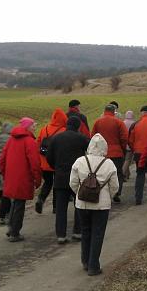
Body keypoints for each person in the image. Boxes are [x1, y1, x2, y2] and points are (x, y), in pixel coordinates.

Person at [69, 134, 119, 276]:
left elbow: (72, 182)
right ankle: (93, 265)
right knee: (97, 234)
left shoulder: (80, 161)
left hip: (82, 203)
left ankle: (85, 261)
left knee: (86, 231)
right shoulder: (109, 164)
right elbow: (114, 186)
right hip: (101, 206)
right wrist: (107, 197)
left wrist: (80, 193)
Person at [45, 115, 89, 243]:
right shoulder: (81, 138)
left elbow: (49, 157)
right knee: (79, 205)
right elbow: (92, 149)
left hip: (60, 176)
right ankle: (77, 232)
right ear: (78, 126)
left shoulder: (56, 138)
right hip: (77, 176)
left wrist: (56, 167)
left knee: (60, 208)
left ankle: (61, 235)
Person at [0, 117, 42, 242]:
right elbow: (35, 163)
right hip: (24, 178)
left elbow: (2, 160)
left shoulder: (11, 140)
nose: (35, 127)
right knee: (19, 205)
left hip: (11, 177)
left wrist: (5, 174)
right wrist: (37, 179)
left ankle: (11, 228)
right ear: (27, 127)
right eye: (33, 125)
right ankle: (14, 232)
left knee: (15, 203)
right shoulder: (30, 142)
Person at [91, 104, 129, 203]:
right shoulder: (119, 122)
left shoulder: (97, 122)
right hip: (116, 152)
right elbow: (124, 138)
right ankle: (116, 192)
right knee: (117, 174)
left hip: (101, 154)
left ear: (104, 111)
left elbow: (93, 137)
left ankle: (102, 192)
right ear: (114, 111)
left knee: (101, 174)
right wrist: (122, 149)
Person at [35, 109, 68, 214]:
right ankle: (55, 207)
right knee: (57, 185)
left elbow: (38, 144)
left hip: (45, 162)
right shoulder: (64, 130)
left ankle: (41, 198)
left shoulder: (44, 129)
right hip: (58, 162)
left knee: (48, 182)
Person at [128, 105, 147, 204]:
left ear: (142, 113)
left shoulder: (135, 124)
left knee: (140, 175)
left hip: (138, 154)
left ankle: (138, 198)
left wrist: (134, 149)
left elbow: (130, 141)